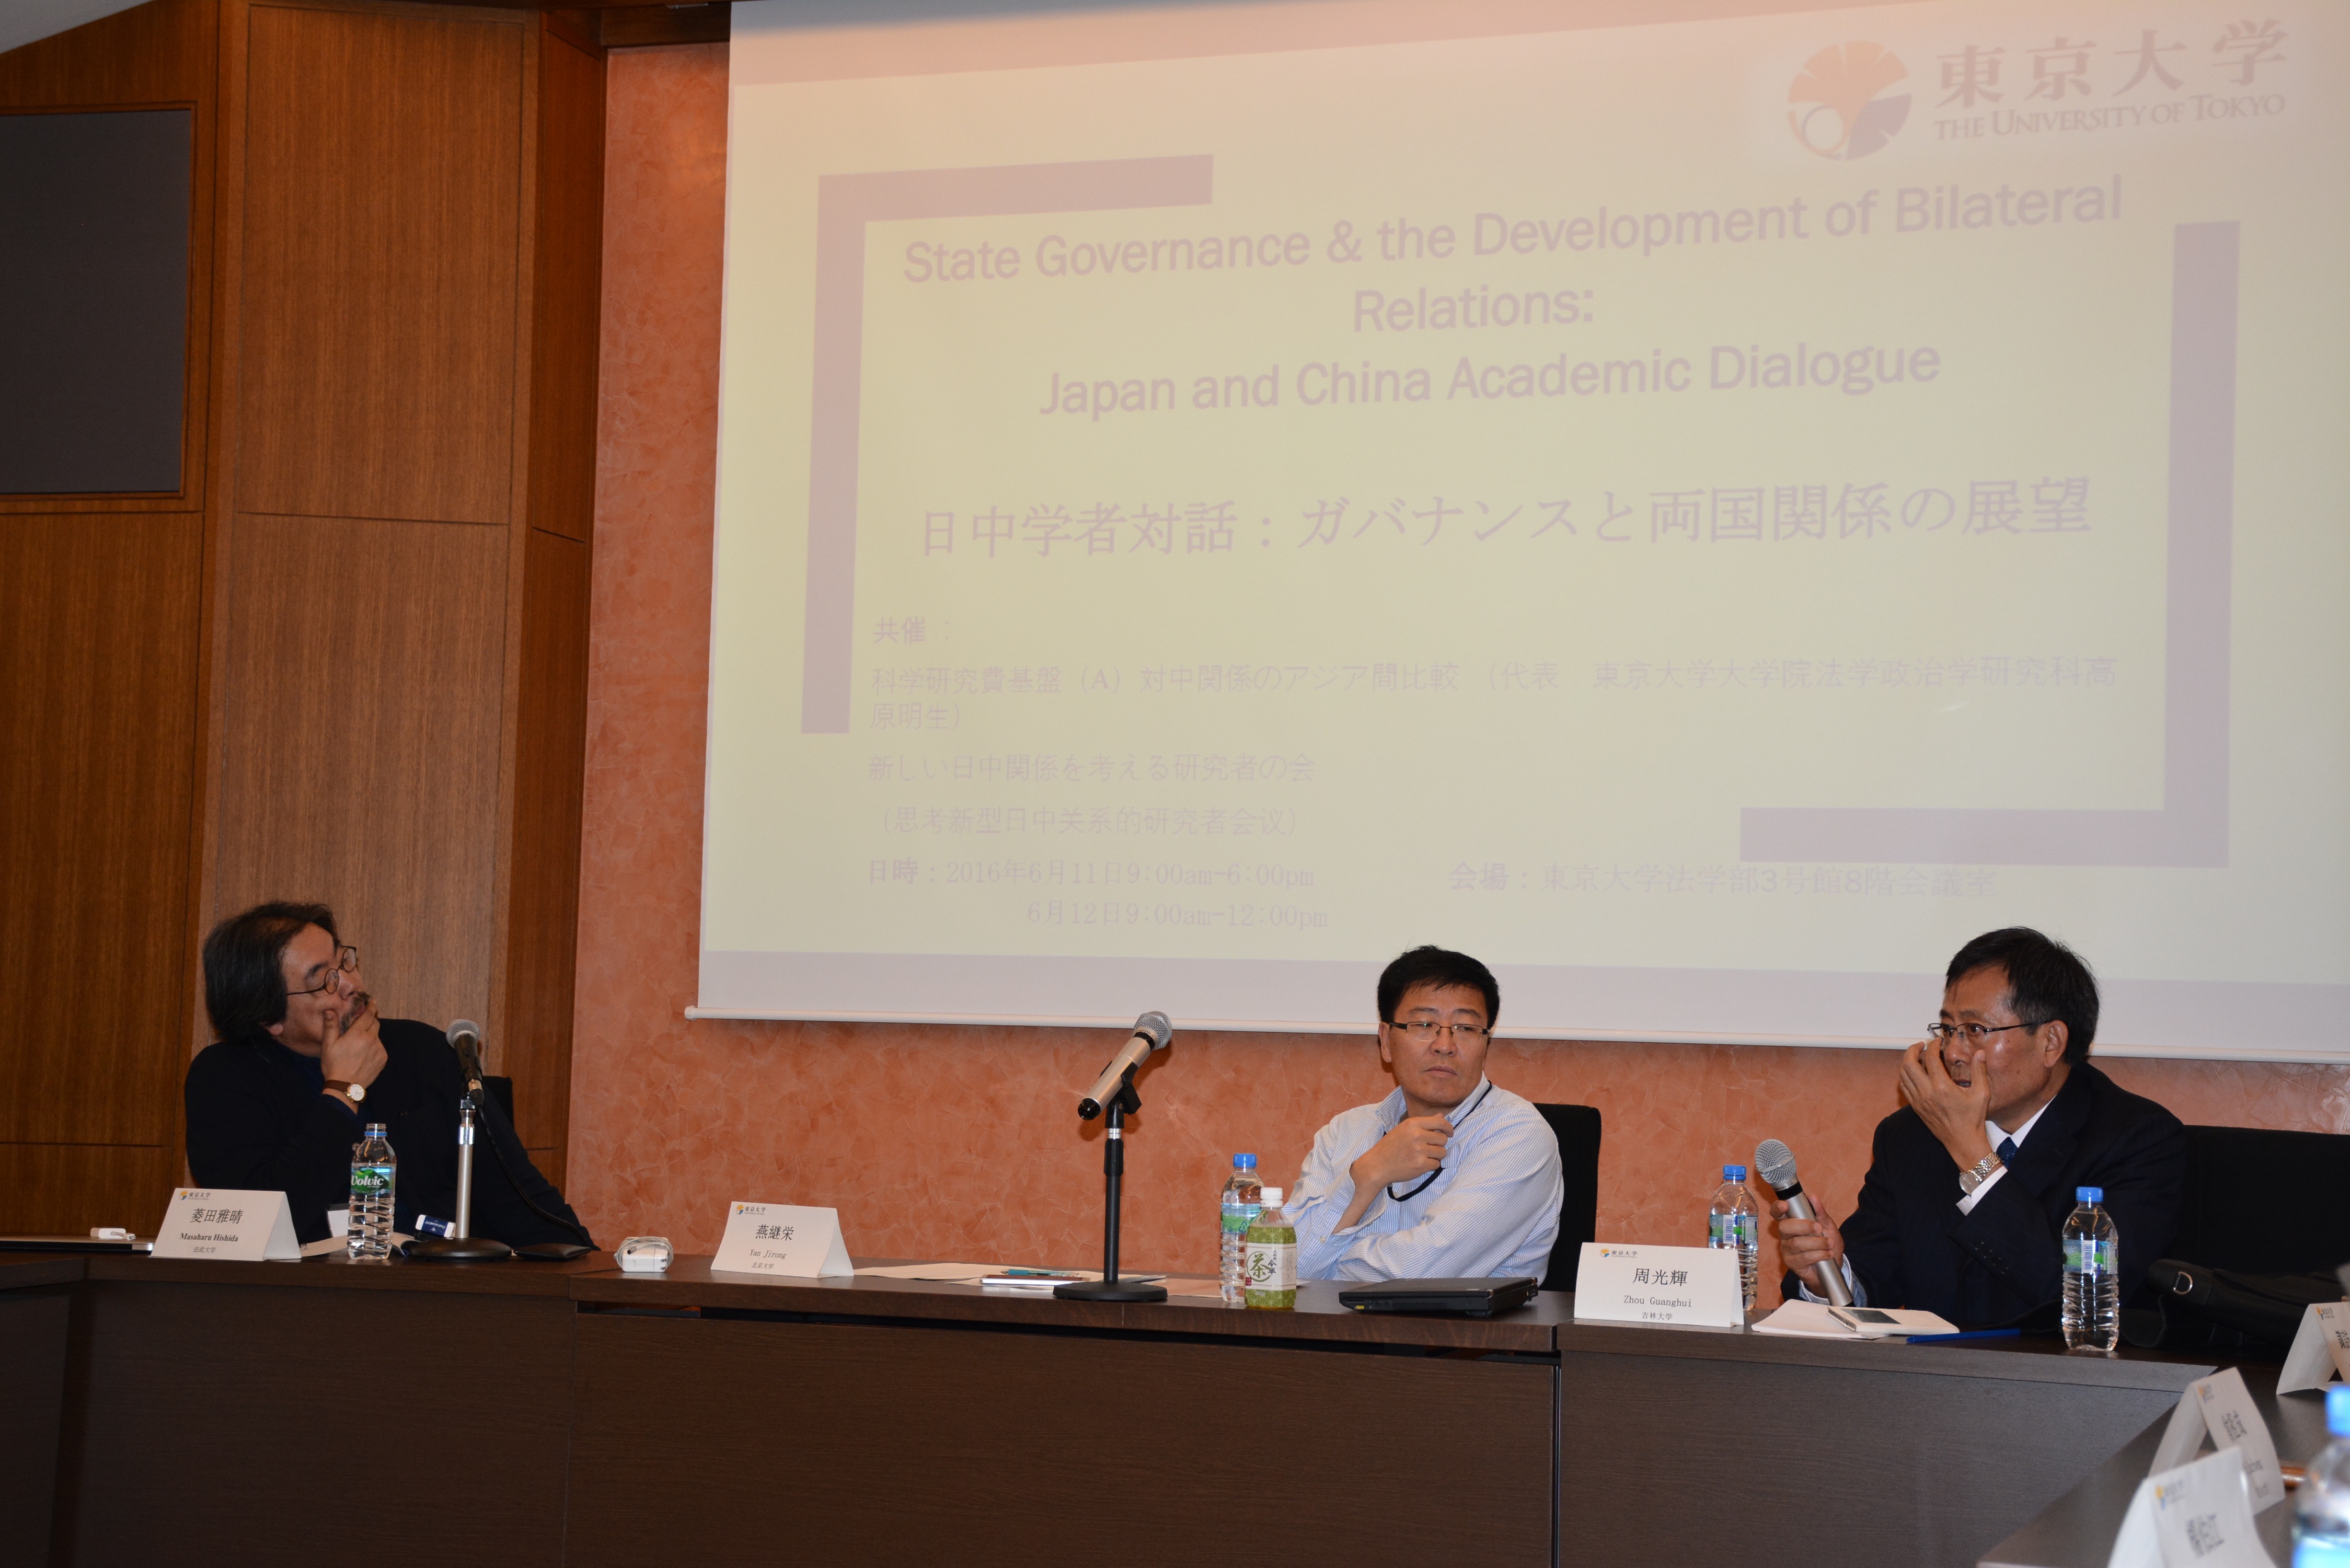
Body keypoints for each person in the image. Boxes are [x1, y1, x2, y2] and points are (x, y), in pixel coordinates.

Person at [1771, 927, 2184, 1327]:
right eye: (1948, 1030)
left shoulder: (2137, 1140)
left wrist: (1971, 1153)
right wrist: (1827, 1274)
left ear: (2051, 1042)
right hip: (1931, 1372)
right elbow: (1870, 1285)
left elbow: (2078, 1298)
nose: (1953, 1052)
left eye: (1975, 1031)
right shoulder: (1909, 1136)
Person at [185, 901, 592, 1250]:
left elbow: (521, 1199)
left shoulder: (422, 1051)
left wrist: (591, 1280)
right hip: (305, 1302)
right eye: (325, 980)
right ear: (268, 1017)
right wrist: (343, 1092)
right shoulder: (224, 1079)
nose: (351, 984)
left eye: (344, 962)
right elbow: (259, 1227)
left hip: (438, 1293)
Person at [1286, 945, 1563, 1281]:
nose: (1444, 1045)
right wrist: (1369, 1173)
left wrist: (1327, 1265)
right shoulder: (1344, 1132)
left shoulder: (1518, 1134)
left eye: (1465, 1028)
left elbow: (1420, 1275)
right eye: (1424, 1024)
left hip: (1458, 1320)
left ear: (1486, 1042)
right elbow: (1279, 1265)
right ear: (1386, 1041)